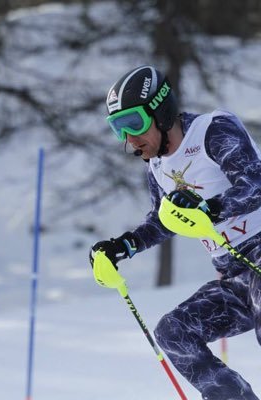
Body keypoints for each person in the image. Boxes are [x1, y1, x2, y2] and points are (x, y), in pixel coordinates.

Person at [90, 65, 261, 400]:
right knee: (174, 332)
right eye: (118, 128)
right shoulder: (157, 166)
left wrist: (209, 209)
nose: (129, 138)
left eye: (134, 123)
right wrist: (124, 245)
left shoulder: (213, 130)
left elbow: (254, 182)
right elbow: (163, 219)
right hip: (234, 276)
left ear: (161, 111)